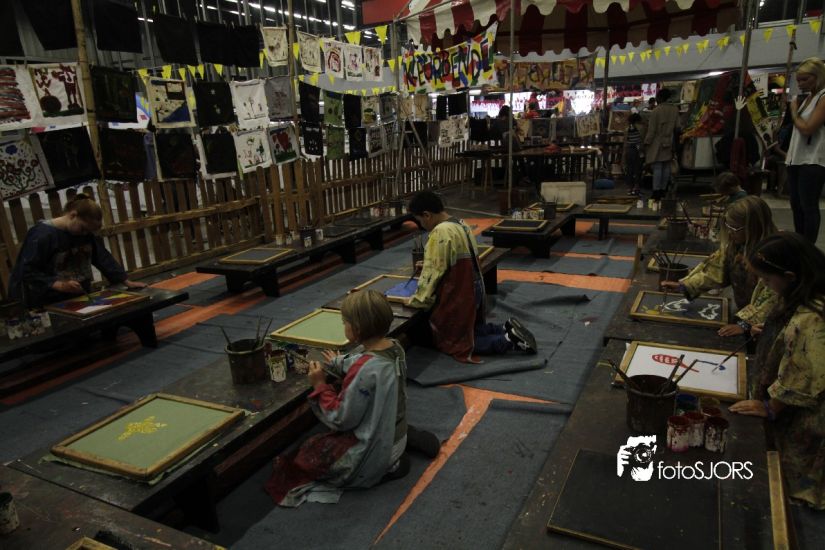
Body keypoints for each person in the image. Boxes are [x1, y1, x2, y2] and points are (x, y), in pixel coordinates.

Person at [265, 290, 409, 507]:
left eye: (345, 323)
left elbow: (341, 418)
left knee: (309, 452)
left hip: (377, 454)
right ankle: (400, 450)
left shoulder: (364, 370)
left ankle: (385, 467)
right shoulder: (395, 348)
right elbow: (366, 361)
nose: (344, 326)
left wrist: (320, 386)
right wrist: (340, 363)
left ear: (356, 329)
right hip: (397, 436)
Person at [729, 232, 825, 510]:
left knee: (792, 478)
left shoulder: (813, 317)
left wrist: (771, 407)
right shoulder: (804, 292)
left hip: (807, 414)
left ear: (790, 276)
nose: (764, 285)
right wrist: (774, 335)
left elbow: (805, 373)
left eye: (768, 280)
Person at [406, 191, 536, 362]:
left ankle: (508, 340)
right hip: (474, 289)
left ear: (427, 215)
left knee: (453, 340)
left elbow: (432, 275)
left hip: (459, 293)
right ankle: (502, 328)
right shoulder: (460, 223)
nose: (421, 225)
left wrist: (417, 301)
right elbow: (454, 258)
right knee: (466, 328)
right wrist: (430, 262)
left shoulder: (440, 232)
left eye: (420, 221)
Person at [661, 196, 778, 337]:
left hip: (769, 325)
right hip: (744, 311)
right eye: (728, 226)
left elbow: (771, 301)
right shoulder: (736, 246)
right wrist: (685, 286)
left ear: (753, 227)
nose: (729, 232)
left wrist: (745, 325)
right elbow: (715, 272)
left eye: (734, 228)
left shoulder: (772, 255)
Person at [8, 193, 146, 307]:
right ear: (73, 215)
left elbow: (102, 257)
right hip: (46, 300)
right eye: (83, 229)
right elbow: (26, 270)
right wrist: (57, 284)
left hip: (75, 297)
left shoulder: (84, 234)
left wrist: (125, 280)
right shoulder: (42, 235)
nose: (85, 234)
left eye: (88, 231)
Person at [786, 57, 825, 243]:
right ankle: (799, 244)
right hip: (796, 158)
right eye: (798, 80)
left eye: (805, 79)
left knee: (808, 205)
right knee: (796, 205)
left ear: (818, 76)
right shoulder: (807, 98)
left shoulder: (823, 97)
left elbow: (808, 128)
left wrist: (794, 111)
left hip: (813, 159)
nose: (800, 84)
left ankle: (808, 247)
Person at [644, 89, 679, 200]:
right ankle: (664, 190)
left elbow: (651, 130)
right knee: (666, 166)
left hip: (657, 142)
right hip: (669, 141)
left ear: (660, 98)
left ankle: (656, 191)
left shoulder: (656, 111)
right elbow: (678, 127)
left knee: (657, 166)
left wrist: (646, 142)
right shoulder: (675, 109)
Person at [624, 113, 645, 196]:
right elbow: (643, 140)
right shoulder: (642, 128)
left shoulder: (627, 129)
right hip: (638, 151)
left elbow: (625, 142)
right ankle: (636, 188)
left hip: (629, 150)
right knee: (638, 170)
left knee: (629, 170)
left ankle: (629, 189)